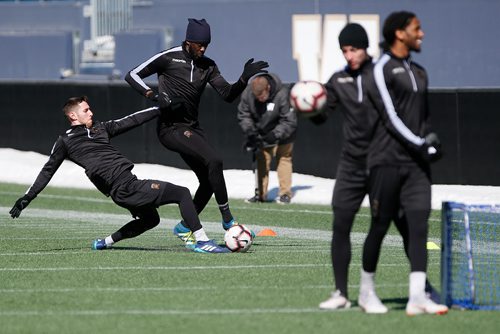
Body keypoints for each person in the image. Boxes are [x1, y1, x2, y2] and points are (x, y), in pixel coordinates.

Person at [9, 96, 229, 254]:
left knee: (151, 219)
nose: (91, 113)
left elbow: (131, 120)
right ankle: (202, 241)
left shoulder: (100, 129)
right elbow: (47, 170)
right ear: (73, 115)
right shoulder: (65, 141)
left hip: (125, 188)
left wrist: (160, 110)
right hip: (125, 187)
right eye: (86, 110)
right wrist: (27, 198)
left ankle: (105, 242)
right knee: (181, 193)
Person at [317, 23, 437, 313]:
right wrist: (309, 105)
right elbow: (322, 116)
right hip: (350, 165)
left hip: (382, 162)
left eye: (354, 49)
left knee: (403, 224)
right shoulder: (338, 79)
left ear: (366, 47)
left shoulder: (381, 74)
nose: (349, 55)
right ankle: (341, 293)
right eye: (345, 50)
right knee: (341, 224)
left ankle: (424, 289)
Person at [125, 18, 268, 244]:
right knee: (215, 160)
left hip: (192, 128)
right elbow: (132, 75)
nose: (203, 48)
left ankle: (184, 227)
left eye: (206, 45)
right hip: (169, 128)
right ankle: (228, 220)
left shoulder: (208, 65)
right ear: (189, 41)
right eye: (199, 44)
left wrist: (243, 78)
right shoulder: (167, 57)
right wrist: (152, 96)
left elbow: (228, 94)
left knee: (209, 179)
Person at [362, 11, 448, 315]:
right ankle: (366, 292)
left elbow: (421, 118)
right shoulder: (380, 69)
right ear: (400, 33)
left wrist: (431, 139)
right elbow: (390, 116)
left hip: (416, 165)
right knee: (380, 225)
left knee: (418, 227)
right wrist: (420, 144)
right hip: (385, 161)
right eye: (417, 28)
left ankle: (417, 297)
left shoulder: (420, 72)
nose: (421, 33)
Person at [237, 73, 297, 204]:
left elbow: (289, 121)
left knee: (284, 160)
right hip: (262, 133)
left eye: (262, 96)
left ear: (268, 88)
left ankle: (285, 194)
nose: (259, 99)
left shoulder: (282, 94)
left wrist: (274, 134)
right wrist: (250, 132)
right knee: (261, 161)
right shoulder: (249, 93)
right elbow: (244, 115)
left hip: (283, 133)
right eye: (256, 96)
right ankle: (260, 195)